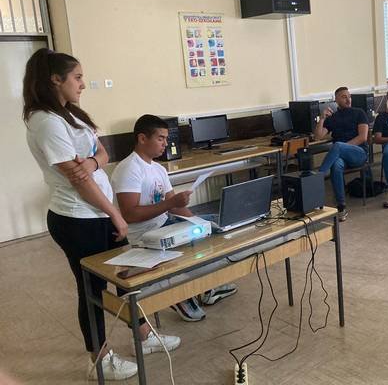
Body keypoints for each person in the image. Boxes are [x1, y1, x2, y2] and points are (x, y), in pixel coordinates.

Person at [23, 49, 180, 381]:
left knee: (126, 274)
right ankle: (99, 358)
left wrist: (92, 162)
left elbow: (102, 152)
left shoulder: (70, 114)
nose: (83, 84)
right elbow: (79, 181)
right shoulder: (46, 121)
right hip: (77, 219)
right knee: (91, 288)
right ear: (55, 79)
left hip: (97, 214)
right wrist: (116, 215)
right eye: (77, 77)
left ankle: (144, 336)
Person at [111, 115, 238, 322]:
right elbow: (130, 214)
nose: (165, 144)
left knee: (213, 225)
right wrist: (171, 204)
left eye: (166, 138)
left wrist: (199, 222)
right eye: (160, 138)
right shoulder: (129, 168)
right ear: (142, 139)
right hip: (144, 236)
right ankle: (178, 291)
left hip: (165, 224)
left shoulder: (158, 169)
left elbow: (175, 206)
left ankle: (207, 287)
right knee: (194, 243)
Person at [315, 87, 369, 221]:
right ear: (336, 100)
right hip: (341, 156)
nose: (348, 99)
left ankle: (318, 177)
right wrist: (322, 118)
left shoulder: (359, 113)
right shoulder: (333, 118)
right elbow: (318, 136)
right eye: (344, 97)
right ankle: (341, 206)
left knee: (338, 145)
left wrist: (343, 148)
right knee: (336, 165)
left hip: (359, 153)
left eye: (349, 96)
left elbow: (363, 137)